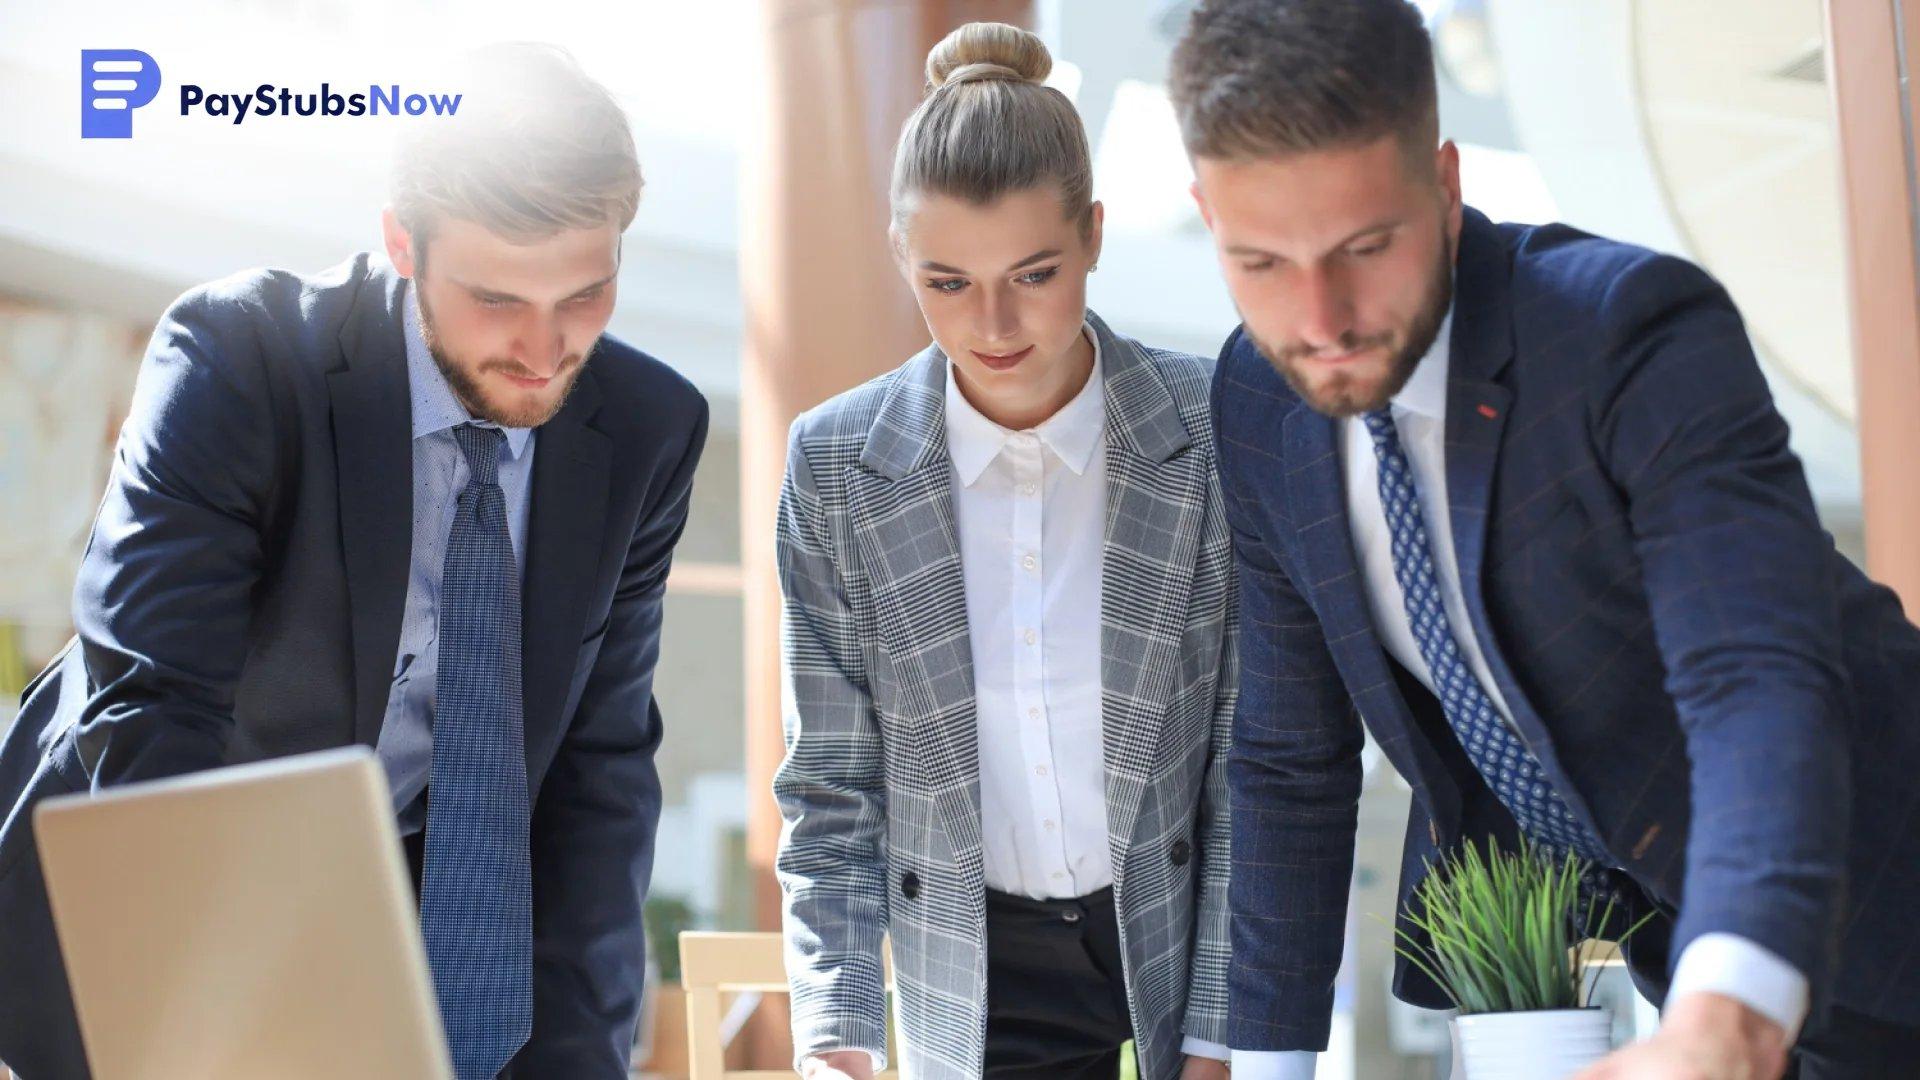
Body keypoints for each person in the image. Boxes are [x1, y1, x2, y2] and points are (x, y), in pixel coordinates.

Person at [1164, 2, 1920, 1077]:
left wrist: (1730, 1012)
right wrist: (1259, 1065)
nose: (1320, 317)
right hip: (1687, 959)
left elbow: (1754, 676)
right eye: (1261, 263)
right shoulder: (1257, 399)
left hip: (1876, 880)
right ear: (1205, 214)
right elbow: (1292, 763)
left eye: (1364, 247)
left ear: (1447, 182)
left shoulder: (1629, 332)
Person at [0, 43, 708, 1080]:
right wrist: (231, 1031)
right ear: (402, 243)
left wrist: (576, 1061)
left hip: (417, 920)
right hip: (145, 904)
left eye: (585, 294)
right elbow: (153, 714)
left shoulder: (646, 428)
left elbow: (596, 775)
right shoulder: (239, 357)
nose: (546, 349)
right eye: (498, 299)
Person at [773, 23, 1236, 1080]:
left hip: (1182, 941)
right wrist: (836, 1036)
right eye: (946, 282)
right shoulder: (839, 465)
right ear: (901, 254)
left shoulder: (1209, 433)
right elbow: (831, 785)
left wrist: (1217, 1039)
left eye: (1033, 272)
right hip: (977, 966)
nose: (992, 323)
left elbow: (1248, 763)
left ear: (1095, 236)